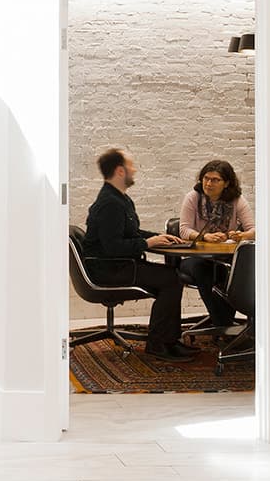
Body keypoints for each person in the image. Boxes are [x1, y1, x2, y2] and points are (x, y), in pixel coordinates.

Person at [81, 146, 190, 357]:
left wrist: (158, 237)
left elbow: (130, 232)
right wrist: (148, 243)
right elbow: (113, 247)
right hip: (110, 269)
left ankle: (169, 340)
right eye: (131, 165)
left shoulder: (120, 199)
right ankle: (160, 344)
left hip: (119, 264)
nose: (135, 170)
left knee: (171, 278)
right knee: (172, 280)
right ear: (120, 171)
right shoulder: (110, 204)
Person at [178, 158, 255, 334]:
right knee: (203, 269)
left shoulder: (237, 200)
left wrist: (241, 235)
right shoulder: (193, 198)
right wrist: (204, 236)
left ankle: (227, 325)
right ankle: (224, 325)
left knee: (232, 271)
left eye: (215, 180)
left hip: (225, 258)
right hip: (195, 258)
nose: (208, 183)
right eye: (206, 178)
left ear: (226, 183)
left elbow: (254, 230)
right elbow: (183, 230)